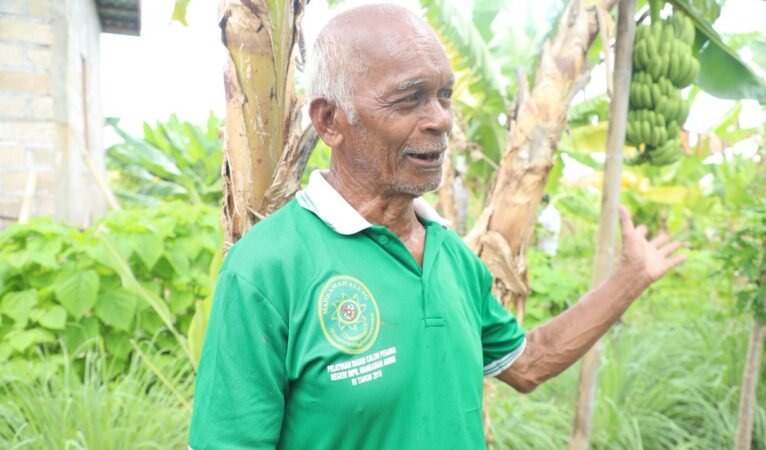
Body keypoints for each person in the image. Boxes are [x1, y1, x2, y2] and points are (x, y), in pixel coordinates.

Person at [188, 4, 686, 449]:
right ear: (331, 121)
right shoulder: (267, 270)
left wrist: (630, 277)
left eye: (444, 95)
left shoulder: (453, 257)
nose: (442, 120)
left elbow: (529, 363)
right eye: (409, 99)